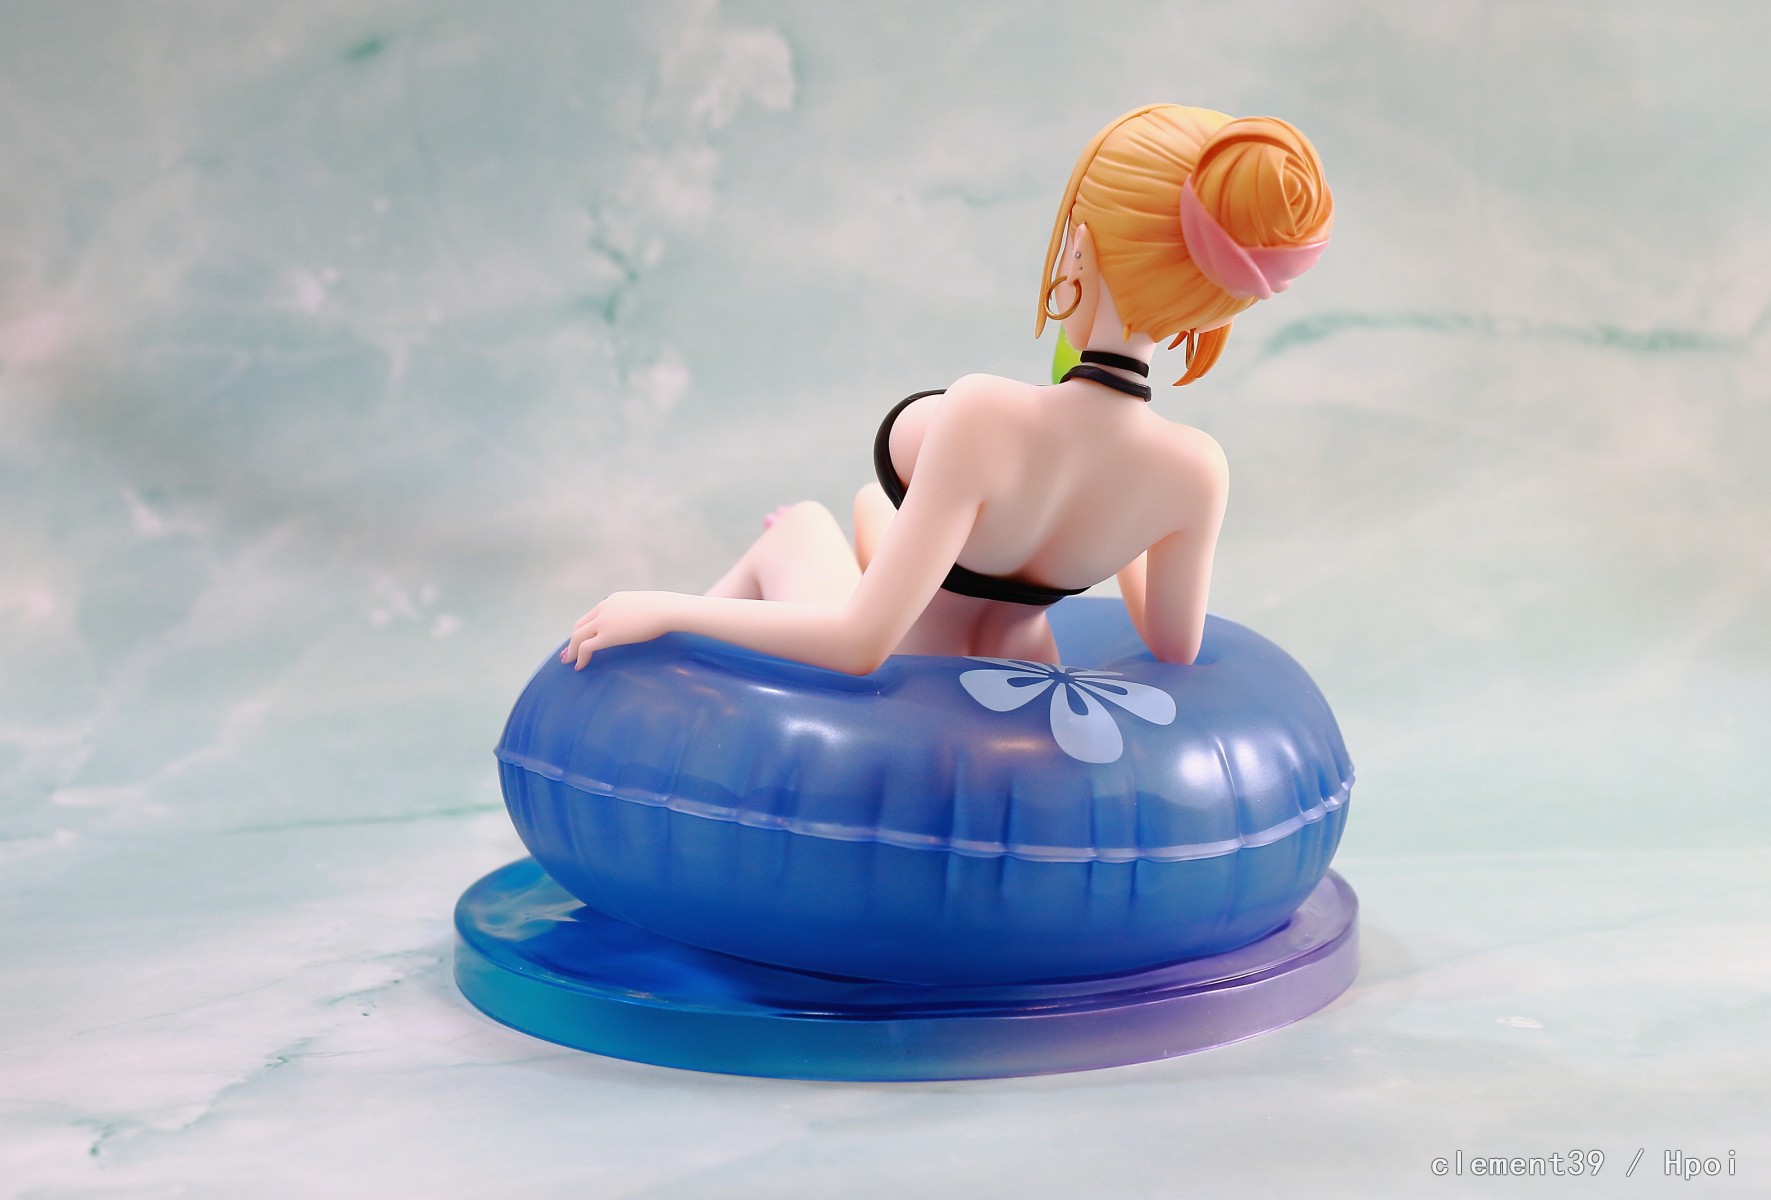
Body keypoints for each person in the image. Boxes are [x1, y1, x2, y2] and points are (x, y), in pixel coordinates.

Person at [564, 103, 1332, 676]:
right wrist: (1129, 517)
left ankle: (672, 690)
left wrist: (664, 609)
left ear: (1078, 244)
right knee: (874, 510)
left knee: (801, 525)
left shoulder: (983, 411)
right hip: (1019, 668)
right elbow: (1173, 645)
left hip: (912, 665)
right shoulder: (1195, 470)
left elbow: (858, 644)